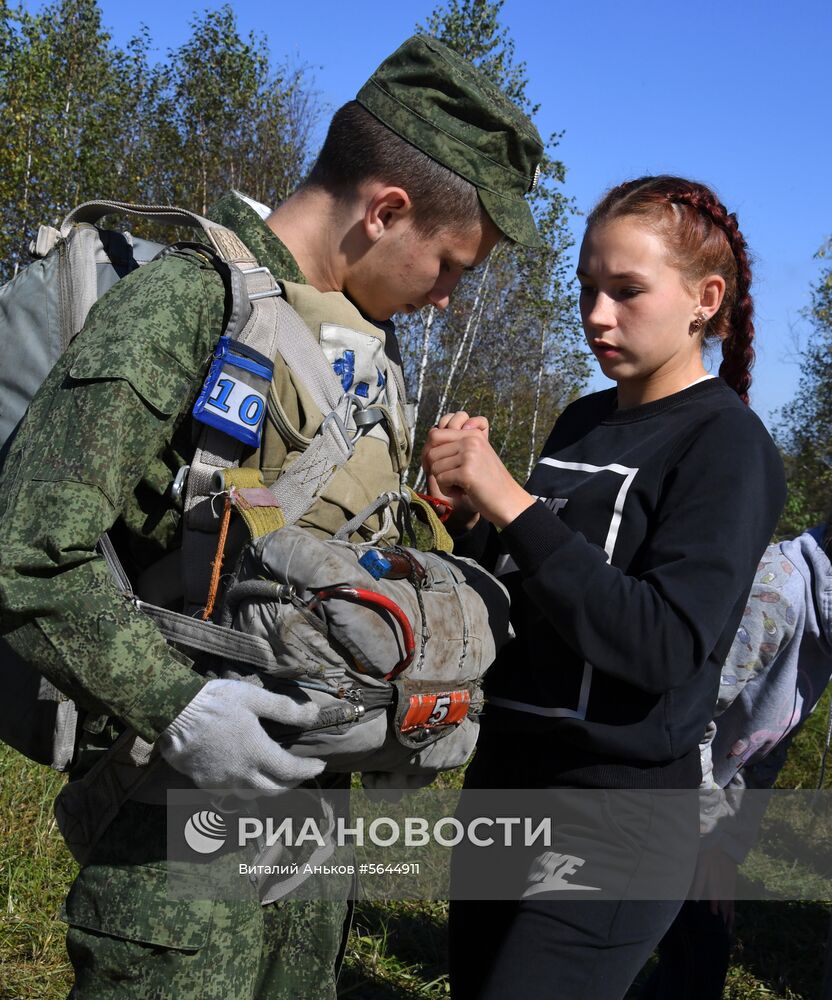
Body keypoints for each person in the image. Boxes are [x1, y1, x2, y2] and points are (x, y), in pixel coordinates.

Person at [0, 35, 543, 1000]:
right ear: (385, 211)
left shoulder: (361, 345)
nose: (448, 298)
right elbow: (29, 549)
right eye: (451, 264)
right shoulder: (188, 302)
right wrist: (180, 709)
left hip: (311, 823)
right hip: (178, 829)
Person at [421, 175, 787, 999]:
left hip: (616, 816)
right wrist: (469, 517)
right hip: (506, 786)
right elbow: (534, 588)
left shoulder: (727, 446)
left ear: (705, 300)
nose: (596, 314)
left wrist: (513, 502)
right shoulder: (581, 421)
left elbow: (661, 643)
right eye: (587, 288)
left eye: (626, 291)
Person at [640, 519, 832, 999]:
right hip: (650, 784)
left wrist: (726, 849)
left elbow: (764, 748)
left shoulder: (824, 624)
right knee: (681, 951)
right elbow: (687, 717)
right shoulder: (777, 595)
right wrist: (708, 839)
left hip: (697, 805)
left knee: (698, 950)